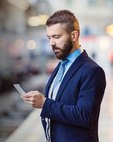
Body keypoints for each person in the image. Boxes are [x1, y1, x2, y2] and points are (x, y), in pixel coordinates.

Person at [21, 10, 106, 142]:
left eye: (56, 37)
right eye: (49, 38)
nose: (51, 43)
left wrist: (44, 103)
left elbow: (85, 116)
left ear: (74, 35)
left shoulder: (92, 71)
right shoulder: (61, 66)